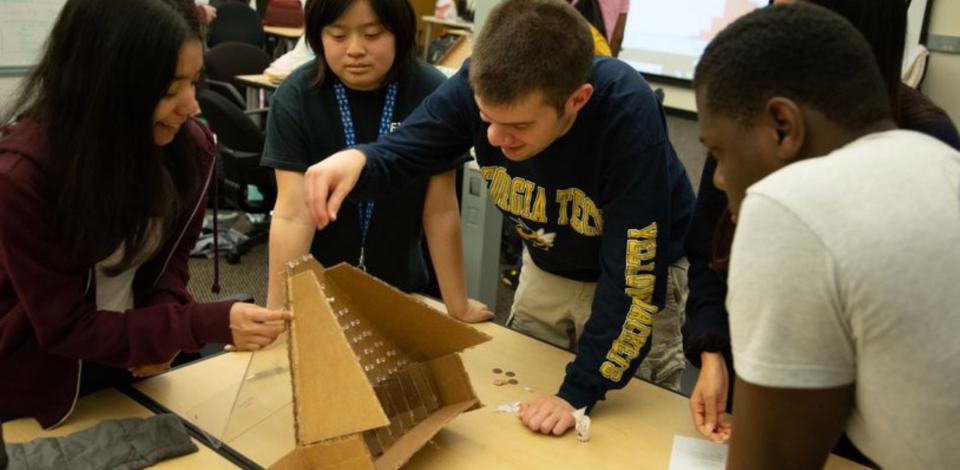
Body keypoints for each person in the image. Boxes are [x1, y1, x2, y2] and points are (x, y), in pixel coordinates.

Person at [302, 0, 695, 436]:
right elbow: (411, 147)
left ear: (576, 101)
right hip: (550, 265)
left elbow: (632, 279)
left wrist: (578, 391)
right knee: (520, 404)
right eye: (486, 118)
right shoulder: (479, 77)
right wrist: (359, 159)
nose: (494, 138)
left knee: (630, 430)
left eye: (519, 127)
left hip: (635, 277)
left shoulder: (626, 110)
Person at [0, 0, 290, 429]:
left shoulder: (189, 150)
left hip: (137, 362)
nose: (191, 106)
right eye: (170, 90)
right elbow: (64, 328)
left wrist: (163, 333)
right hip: (44, 382)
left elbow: (170, 260)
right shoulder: (23, 178)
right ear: (103, 86)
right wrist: (191, 324)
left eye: (195, 81)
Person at [694, 3, 960, 468]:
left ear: (783, 126)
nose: (717, 179)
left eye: (718, 151)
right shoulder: (937, 159)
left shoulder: (788, 205)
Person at [261, 0, 491, 322]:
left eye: (372, 34)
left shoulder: (433, 93)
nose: (355, 50)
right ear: (317, 36)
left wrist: (458, 304)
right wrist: (277, 312)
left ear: (400, 33)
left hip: (402, 285)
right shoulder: (297, 97)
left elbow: (440, 209)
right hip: (317, 288)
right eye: (338, 36)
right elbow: (292, 216)